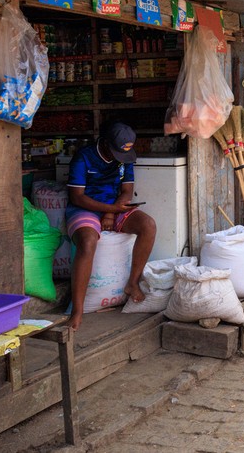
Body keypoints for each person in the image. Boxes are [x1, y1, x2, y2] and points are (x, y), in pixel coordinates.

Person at [66, 122, 156, 331]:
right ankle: (77, 310)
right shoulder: (83, 157)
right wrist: (110, 209)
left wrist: (111, 212)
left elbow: (127, 191)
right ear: (105, 143)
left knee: (148, 225)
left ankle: (132, 283)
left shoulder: (125, 158)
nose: (121, 158)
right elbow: (77, 197)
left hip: (114, 207)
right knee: (88, 242)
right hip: (84, 208)